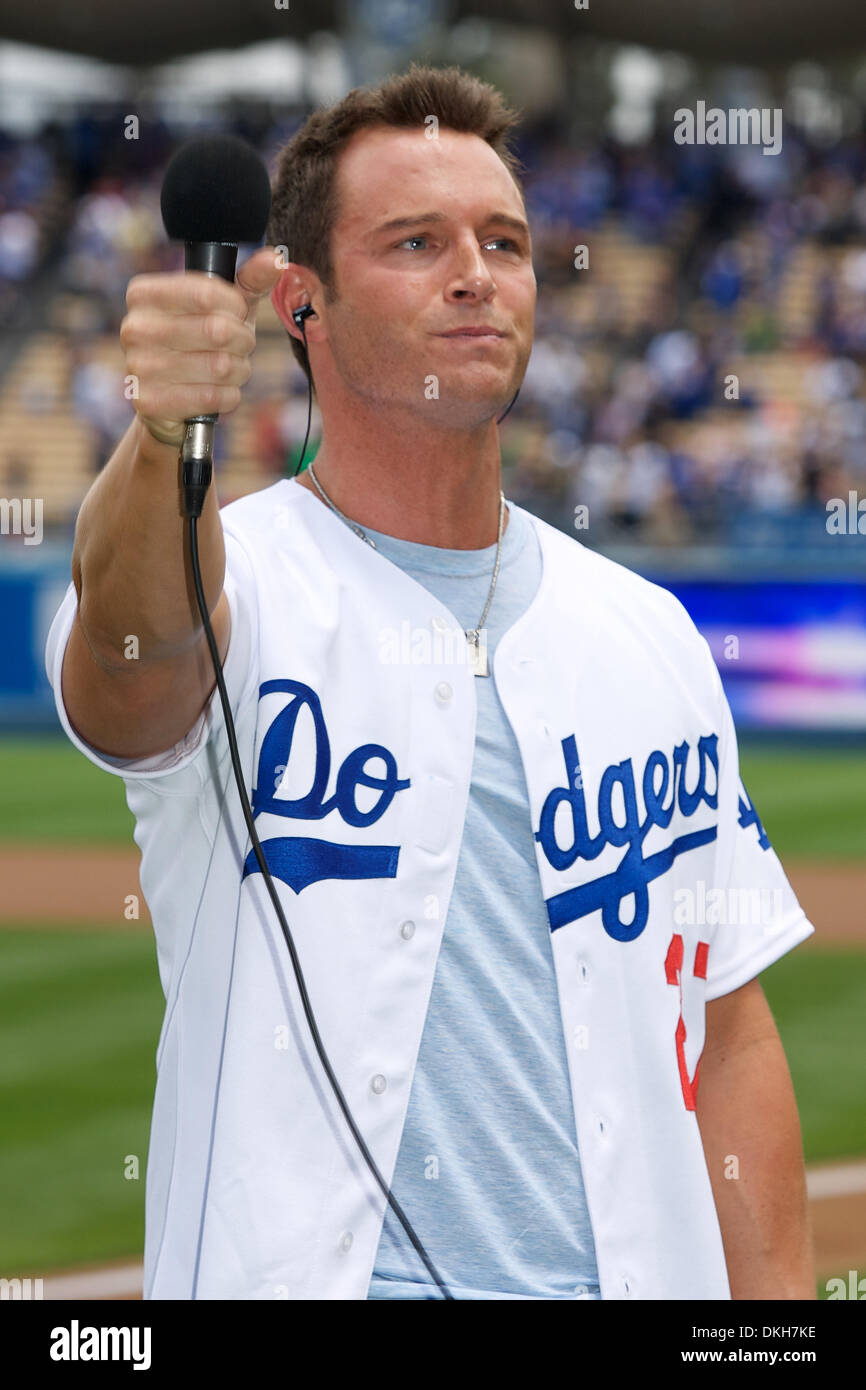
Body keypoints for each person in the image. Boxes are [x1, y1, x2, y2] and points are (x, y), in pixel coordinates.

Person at [45, 64, 816, 1301]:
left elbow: (728, 1031)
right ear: (301, 303)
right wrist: (164, 437)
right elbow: (133, 666)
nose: (477, 272)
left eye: (502, 242)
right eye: (416, 242)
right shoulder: (235, 576)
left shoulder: (649, 630)